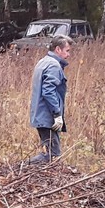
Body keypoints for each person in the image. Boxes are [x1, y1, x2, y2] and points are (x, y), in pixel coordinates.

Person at [26, 35, 72, 165]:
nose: (68, 55)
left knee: (50, 154)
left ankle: (28, 170)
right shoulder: (53, 66)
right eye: (67, 51)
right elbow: (48, 91)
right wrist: (57, 114)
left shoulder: (43, 61)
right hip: (47, 118)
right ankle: (23, 167)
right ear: (58, 49)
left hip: (41, 116)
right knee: (53, 155)